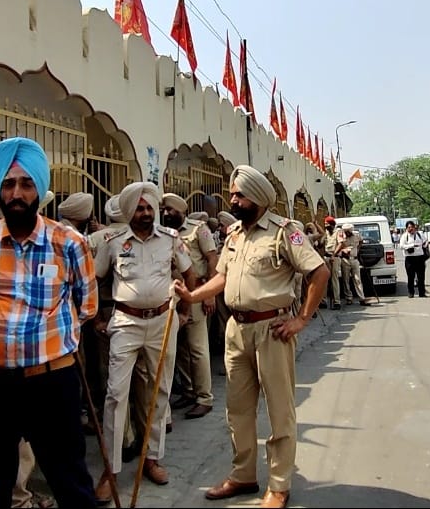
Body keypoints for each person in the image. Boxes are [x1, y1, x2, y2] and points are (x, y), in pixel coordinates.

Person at [172, 165, 329, 509]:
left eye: (239, 195)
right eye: (233, 194)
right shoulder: (234, 235)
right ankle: (243, 475)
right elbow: (221, 277)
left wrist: (301, 319)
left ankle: (278, 485)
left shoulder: (285, 231)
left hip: (272, 330)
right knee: (237, 410)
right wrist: (192, 296)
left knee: (279, 411)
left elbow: (319, 271)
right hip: (236, 330)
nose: (233, 200)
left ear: (257, 198)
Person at [0, 138, 99, 508]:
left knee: (69, 480)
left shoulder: (69, 243)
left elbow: (86, 306)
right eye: (8, 185)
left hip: (51, 380)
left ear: (39, 190)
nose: (16, 194)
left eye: (26, 184)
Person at [93, 182, 195, 498]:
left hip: (163, 321)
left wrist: (185, 311)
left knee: (158, 391)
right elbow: (95, 279)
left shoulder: (170, 239)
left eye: (149, 207)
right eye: (139, 208)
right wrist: (97, 317)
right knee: (115, 394)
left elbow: (189, 274)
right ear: (128, 212)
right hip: (125, 322)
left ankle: (151, 459)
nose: (146, 213)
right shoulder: (112, 241)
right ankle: (110, 472)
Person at [161, 193, 218, 420]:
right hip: (173, 295)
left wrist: (210, 294)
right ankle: (188, 390)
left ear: (181, 212)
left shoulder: (198, 230)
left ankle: (204, 397)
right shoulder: (164, 233)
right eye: (164, 210)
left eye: (170, 211)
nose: (166, 214)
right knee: (181, 348)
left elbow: (212, 259)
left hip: (196, 291)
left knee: (197, 348)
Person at [338, 223, 369, 306]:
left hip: (355, 259)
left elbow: (361, 241)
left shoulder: (356, 235)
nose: (347, 233)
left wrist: (357, 250)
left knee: (358, 279)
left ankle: (361, 298)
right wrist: (343, 251)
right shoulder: (341, 236)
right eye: (345, 231)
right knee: (346, 280)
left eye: (348, 231)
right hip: (345, 260)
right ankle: (349, 298)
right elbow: (338, 246)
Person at [398, 221, 429, 298]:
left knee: (421, 277)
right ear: (406, 228)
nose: (411, 229)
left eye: (412, 227)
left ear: (414, 227)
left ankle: (422, 293)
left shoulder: (419, 234)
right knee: (410, 277)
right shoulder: (404, 236)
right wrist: (411, 246)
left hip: (420, 258)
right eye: (409, 227)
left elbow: (426, 241)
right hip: (409, 259)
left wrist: (424, 245)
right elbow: (401, 246)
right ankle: (411, 293)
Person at [322, 216, 345, 309]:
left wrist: (333, 255)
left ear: (332, 225)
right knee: (324, 279)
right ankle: (323, 300)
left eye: (327, 224)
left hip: (334, 257)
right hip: (326, 256)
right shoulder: (326, 233)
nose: (326, 226)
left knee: (334, 279)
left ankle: (337, 301)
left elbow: (341, 244)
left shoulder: (338, 232)